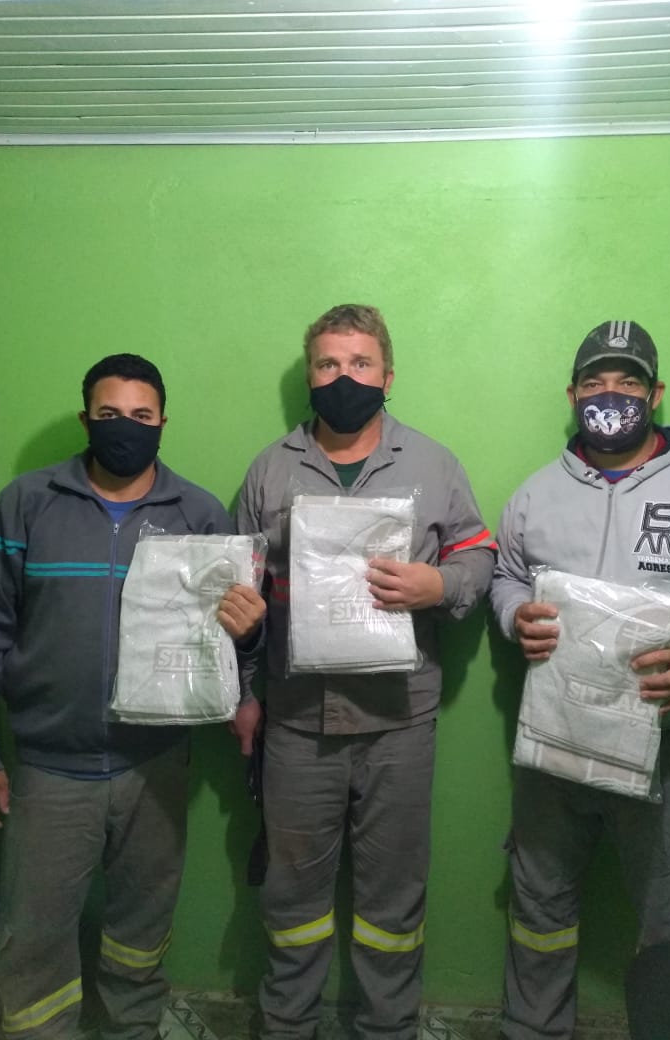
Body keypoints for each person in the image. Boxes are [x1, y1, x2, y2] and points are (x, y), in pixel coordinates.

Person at [0, 353, 265, 1040]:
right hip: (49, 768)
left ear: (163, 422)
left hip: (157, 766)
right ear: (86, 417)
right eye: (110, 413)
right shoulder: (25, 504)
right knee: (31, 936)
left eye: (141, 415)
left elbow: (226, 645)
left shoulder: (199, 513)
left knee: (140, 932)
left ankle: (132, 1028)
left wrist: (248, 637)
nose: (126, 426)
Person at [233, 303, 495, 1039]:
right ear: (309, 375)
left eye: (359, 363)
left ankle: (387, 1028)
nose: (342, 377)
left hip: (399, 720)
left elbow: (478, 554)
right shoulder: (270, 468)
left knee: (393, 901)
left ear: (387, 375)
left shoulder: (433, 464)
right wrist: (244, 690)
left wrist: (439, 584)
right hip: (296, 722)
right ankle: (288, 1026)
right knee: (291, 898)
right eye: (327, 363)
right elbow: (239, 587)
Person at [491, 320, 670, 1040]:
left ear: (656, 393)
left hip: (666, 750)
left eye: (628, 381)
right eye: (595, 382)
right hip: (553, 750)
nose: (611, 395)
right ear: (573, 395)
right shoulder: (535, 494)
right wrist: (513, 615)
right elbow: (505, 577)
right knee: (538, 911)